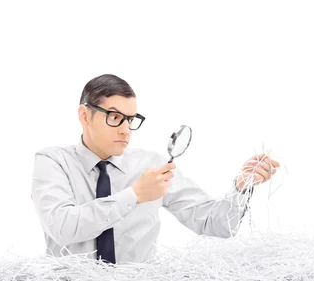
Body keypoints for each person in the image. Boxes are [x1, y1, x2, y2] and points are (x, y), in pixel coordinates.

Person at [31, 74, 280, 264]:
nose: (125, 130)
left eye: (130, 119)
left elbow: (218, 224)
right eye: (115, 117)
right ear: (84, 115)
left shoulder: (150, 165)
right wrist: (135, 195)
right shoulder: (53, 161)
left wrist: (241, 187)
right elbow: (62, 228)